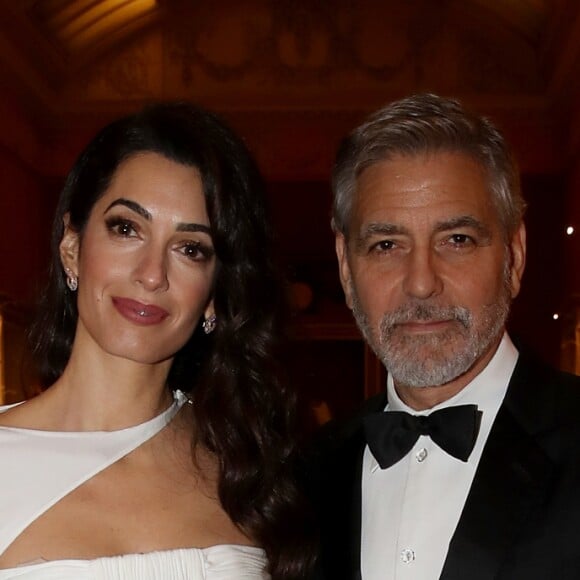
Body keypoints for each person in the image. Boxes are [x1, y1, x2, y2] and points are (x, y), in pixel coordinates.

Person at [0, 103, 313, 579]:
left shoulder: (249, 473)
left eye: (190, 249)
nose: (152, 275)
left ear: (214, 294)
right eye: (127, 228)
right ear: (72, 248)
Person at [310, 93, 580, 580]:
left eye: (456, 240)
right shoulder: (304, 474)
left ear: (513, 257)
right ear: (347, 270)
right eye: (386, 244)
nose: (421, 283)